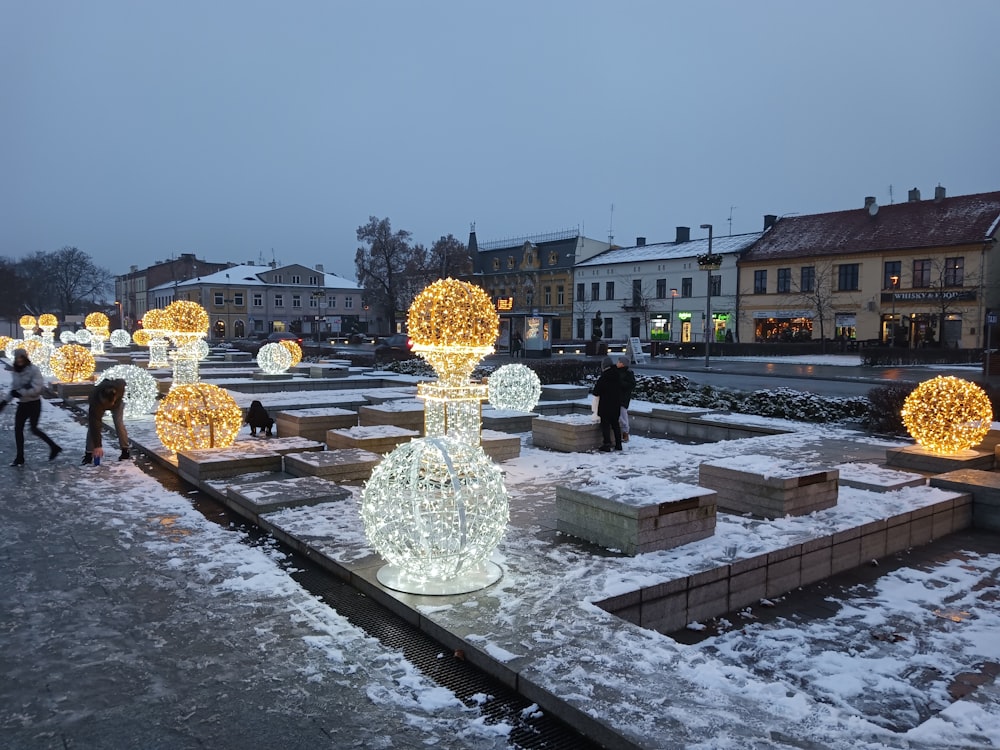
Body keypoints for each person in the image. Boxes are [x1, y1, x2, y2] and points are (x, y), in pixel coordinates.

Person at [2, 348, 62, 466]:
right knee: (18, 429)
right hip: (23, 404)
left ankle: (54, 447)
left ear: (25, 358)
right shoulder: (16, 371)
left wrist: (21, 393)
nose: (19, 360)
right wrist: (4, 402)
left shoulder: (34, 370)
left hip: (34, 403)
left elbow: (37, 388)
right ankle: (20, 457)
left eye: (21, 357)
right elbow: (14, 388)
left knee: (34, 428)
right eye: (17, 358)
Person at [84, 378, 129, 464]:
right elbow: (95, 424)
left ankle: (125, 450)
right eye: (106, 403)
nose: (108, 406)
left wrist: (115, 402)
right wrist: (98, 446)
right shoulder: (95, 401)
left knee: (119, 423)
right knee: (92, 427)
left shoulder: (119, 388)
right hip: (98, 405)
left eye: (110, 403)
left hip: (117, 405)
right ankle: (88, 454)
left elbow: (122, 381)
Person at [591, 356, 623, 452]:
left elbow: (596, 392)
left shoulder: (604, 377)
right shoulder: (618, 375)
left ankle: (607, 443)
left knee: (605, 424)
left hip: (605, 404)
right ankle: (618, 444)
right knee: (615, 424)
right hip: (616, 404)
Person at [616, 355, 636, 442]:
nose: (617, 363)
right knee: (618, 415)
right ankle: (621, 432)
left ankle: (625, 433)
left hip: (623, 398)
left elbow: (631, 385)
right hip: (617, 397)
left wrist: (620, 383)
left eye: (619, 362)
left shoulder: (628, 373)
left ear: (623, 364)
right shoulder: (616, 372)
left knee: (623, 415)